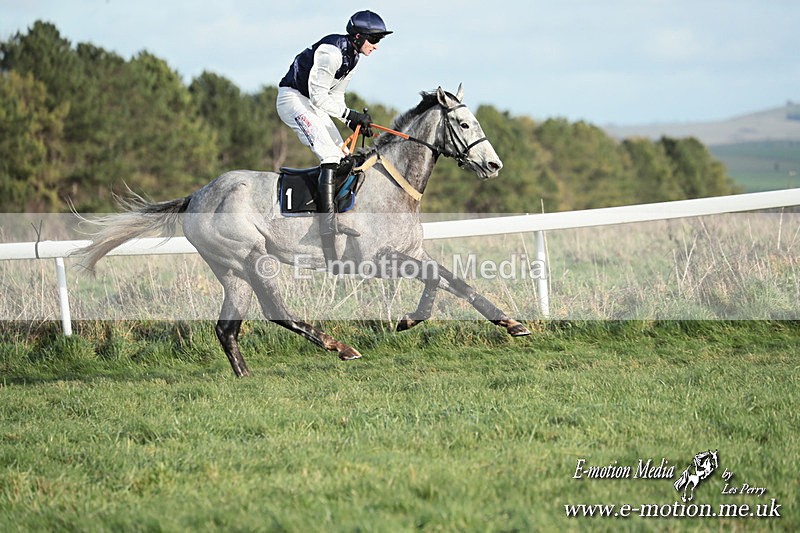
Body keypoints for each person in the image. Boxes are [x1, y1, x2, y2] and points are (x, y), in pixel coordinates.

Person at [276, 10, 392, 266]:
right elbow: (318, 97)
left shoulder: (353, 58)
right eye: (374, 40)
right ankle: (326, 228)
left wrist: (351, 120)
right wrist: (349, 114)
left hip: (311, 103)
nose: (376, 46)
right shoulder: (331, 53)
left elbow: (335, 98)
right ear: (358, 36)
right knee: (329, 155)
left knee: (342, 155)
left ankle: (336, 213)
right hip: (293, 100)